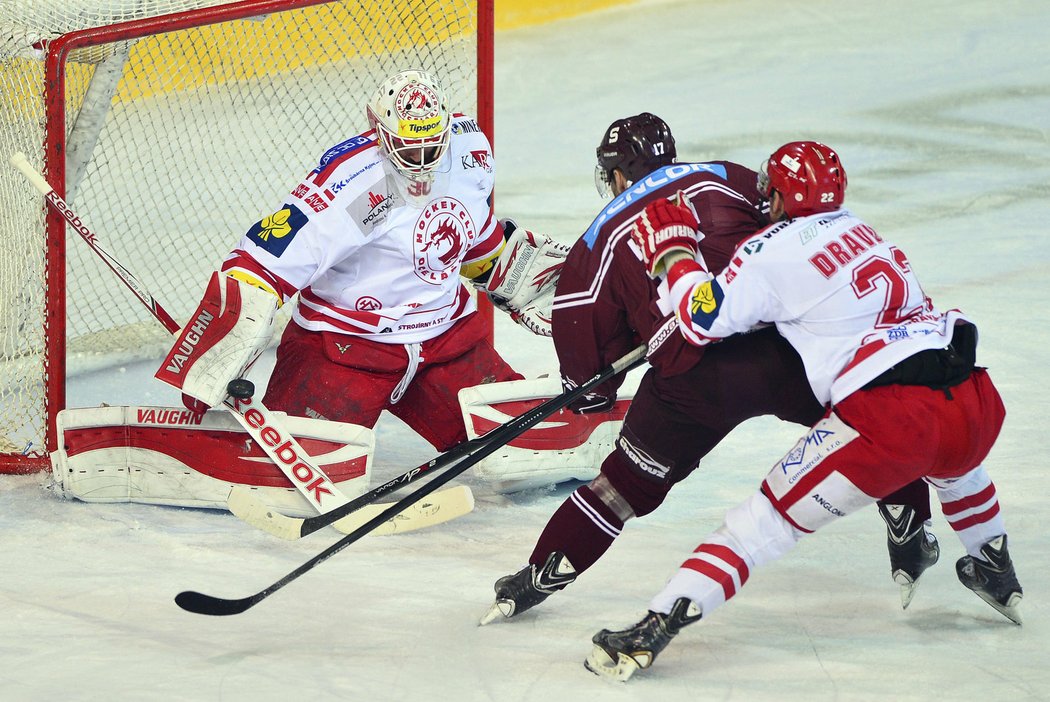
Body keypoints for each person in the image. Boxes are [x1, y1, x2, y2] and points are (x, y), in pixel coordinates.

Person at [585, 141, 1022, 682]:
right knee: (956, 463)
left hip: (888, 418)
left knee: (761, 524)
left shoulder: (767, 251)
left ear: (780, 197)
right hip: (973, 397)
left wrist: (675, 253)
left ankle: (656, 625)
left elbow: (702, 320)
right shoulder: (861, 228)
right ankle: (994, 564)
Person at [480, 116, 933, 625]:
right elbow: (799, 241)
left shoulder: (593, 248)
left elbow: (592, 395)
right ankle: (910, 518)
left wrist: (625, 336)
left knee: (621, 488)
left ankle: (542, 573)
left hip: (693, 385)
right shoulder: (728, 176)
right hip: (783, 350)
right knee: (870, 418)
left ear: (617, 176)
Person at [155, 70, 556, 453]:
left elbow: (471, 233)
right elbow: (266, 260)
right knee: (304, 459)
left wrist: (511, 269)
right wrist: (223, 339)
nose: (421, 158)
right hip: (347, 348)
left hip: (445, 341)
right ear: (379, 131)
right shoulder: (357, 181)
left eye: (431, 144)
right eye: (408, 146)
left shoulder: (469, 149)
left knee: (528, 442)